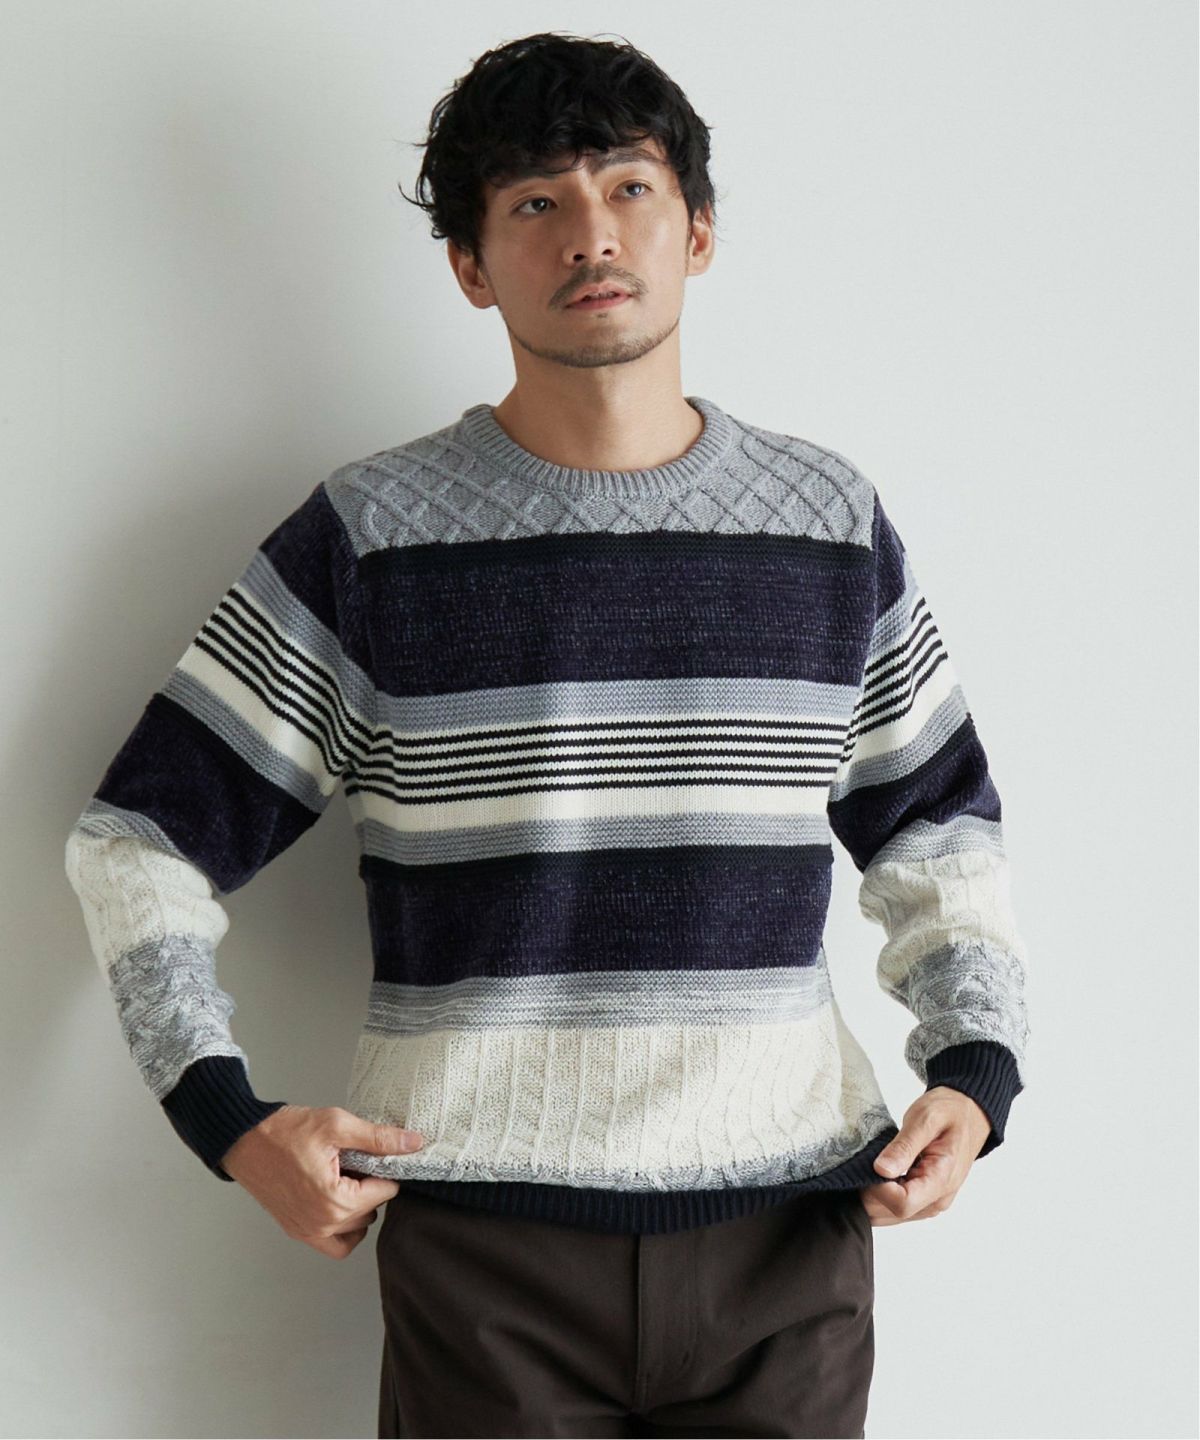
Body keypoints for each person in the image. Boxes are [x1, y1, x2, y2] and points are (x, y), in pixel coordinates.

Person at [64, 29, 1031, 1440]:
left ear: (698, 230)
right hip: (486, 1249)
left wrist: (976, 1066)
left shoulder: (826, 524)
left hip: (791, 1232)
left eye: (629, 186)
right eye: (535, 202)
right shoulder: (373, 539)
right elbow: (139, 841)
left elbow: (935, 825)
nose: (591, 233)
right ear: (472, 265)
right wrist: (225, 1117)